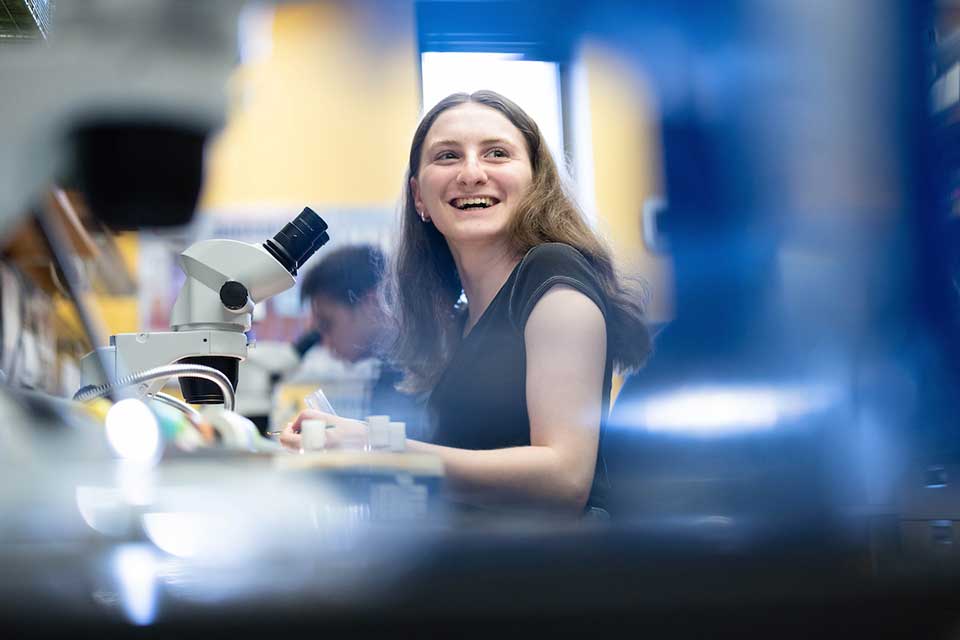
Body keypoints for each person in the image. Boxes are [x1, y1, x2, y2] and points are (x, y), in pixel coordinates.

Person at [281, 90, 650, 516]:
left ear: (536, 183)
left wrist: (371, 446)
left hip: (549, 573)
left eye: (496, 153)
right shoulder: (460, 319)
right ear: (419, 197)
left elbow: (564, 477)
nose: (472, 173)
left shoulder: (553, 277)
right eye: (447, 156)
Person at [297, 244, 426, 433]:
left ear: (371, 304)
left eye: (327, 324)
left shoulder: (422, 369)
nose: (325, 342)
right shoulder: (391, 369)